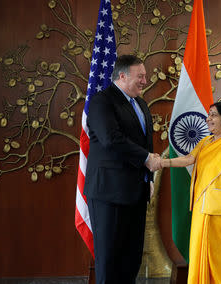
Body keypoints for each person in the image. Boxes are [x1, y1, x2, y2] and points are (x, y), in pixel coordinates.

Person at [161, 102, 221, 284]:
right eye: (209, 114)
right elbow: (188, 160)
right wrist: (162, 162)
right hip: (201, 209)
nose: (208, 118)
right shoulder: (205, 142)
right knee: (200, 254)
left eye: (213, 115)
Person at [84, 54, 161, 284]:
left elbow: (145, 143)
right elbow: (111, 139)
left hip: (136, 193)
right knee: (110, 262)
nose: (145, 81)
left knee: (131, 259)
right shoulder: (101, 101)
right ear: (122, 75)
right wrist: (147, 159)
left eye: (145, 76)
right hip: (109, 194)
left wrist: (148, 179)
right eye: (141, 76)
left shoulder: (141, 104)